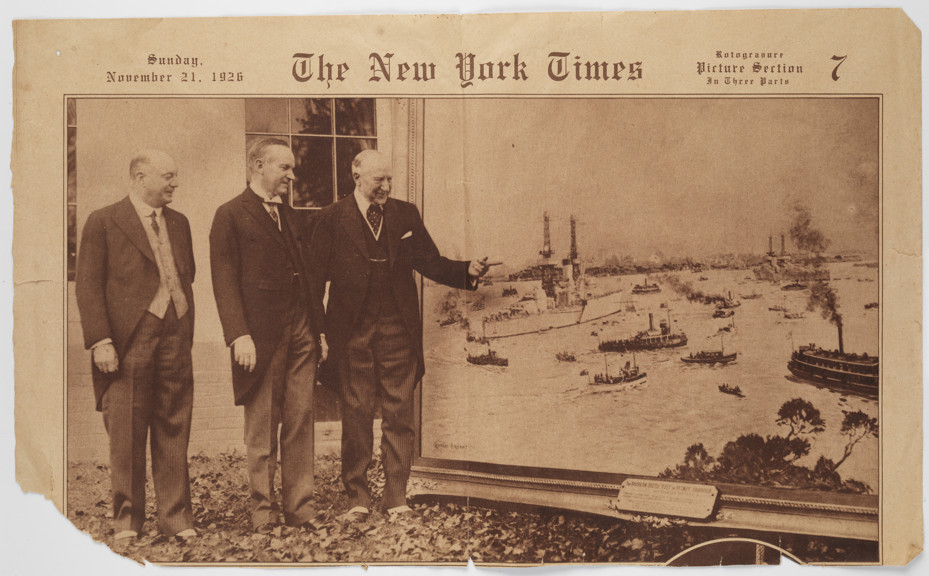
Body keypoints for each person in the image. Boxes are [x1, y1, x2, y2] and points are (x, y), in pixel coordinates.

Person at [309, 149, 491, 521]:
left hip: (398, 330)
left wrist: (467, 270)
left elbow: (430, 262)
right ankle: (357, 499)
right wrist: (319, 334)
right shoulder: (330, 218)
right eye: (380, 180)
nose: (387, 187)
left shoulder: (405, 214)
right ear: (356, 174)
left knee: (399, 414)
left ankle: (396, 497)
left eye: (390, 180)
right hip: (352, 333)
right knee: (356, 414)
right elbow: (313, 282)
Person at [75, 150, 197, 543]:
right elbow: (88, 285)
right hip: (128, 341)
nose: (175, 183)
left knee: (174, 425)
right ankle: (127, 521)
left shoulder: (179, 223)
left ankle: (176, 519)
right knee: (126, 431)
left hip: (175, 335)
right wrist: (100, 341)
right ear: (140, 177)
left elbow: (186, 274)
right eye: (168, 176)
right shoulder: (104, 221)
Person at [209, 138, 321, 532]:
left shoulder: (291, 217)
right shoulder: (230, 215)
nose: (291, 176)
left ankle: (301, 508)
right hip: (260, 336)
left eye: (291, 169)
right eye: (284, 168)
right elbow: (224, 281)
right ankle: (262, 512)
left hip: (302, 329)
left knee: (300, 419)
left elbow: (307, 276)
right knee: (261, 425)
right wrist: (238, 335)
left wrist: (317, 330)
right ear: (258, 166)